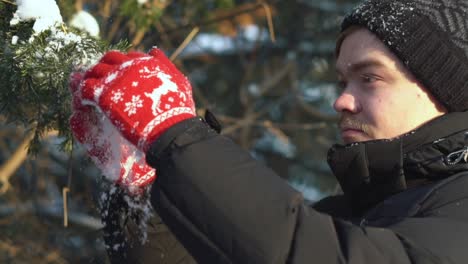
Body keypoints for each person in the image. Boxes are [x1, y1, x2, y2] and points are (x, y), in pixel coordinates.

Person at [70, 0, 468, 263]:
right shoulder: (353, 215)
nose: (342, 101)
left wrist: (180, 139)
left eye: (370, 78)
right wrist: (149, 192)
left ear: (443, 92)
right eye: (343, 81)